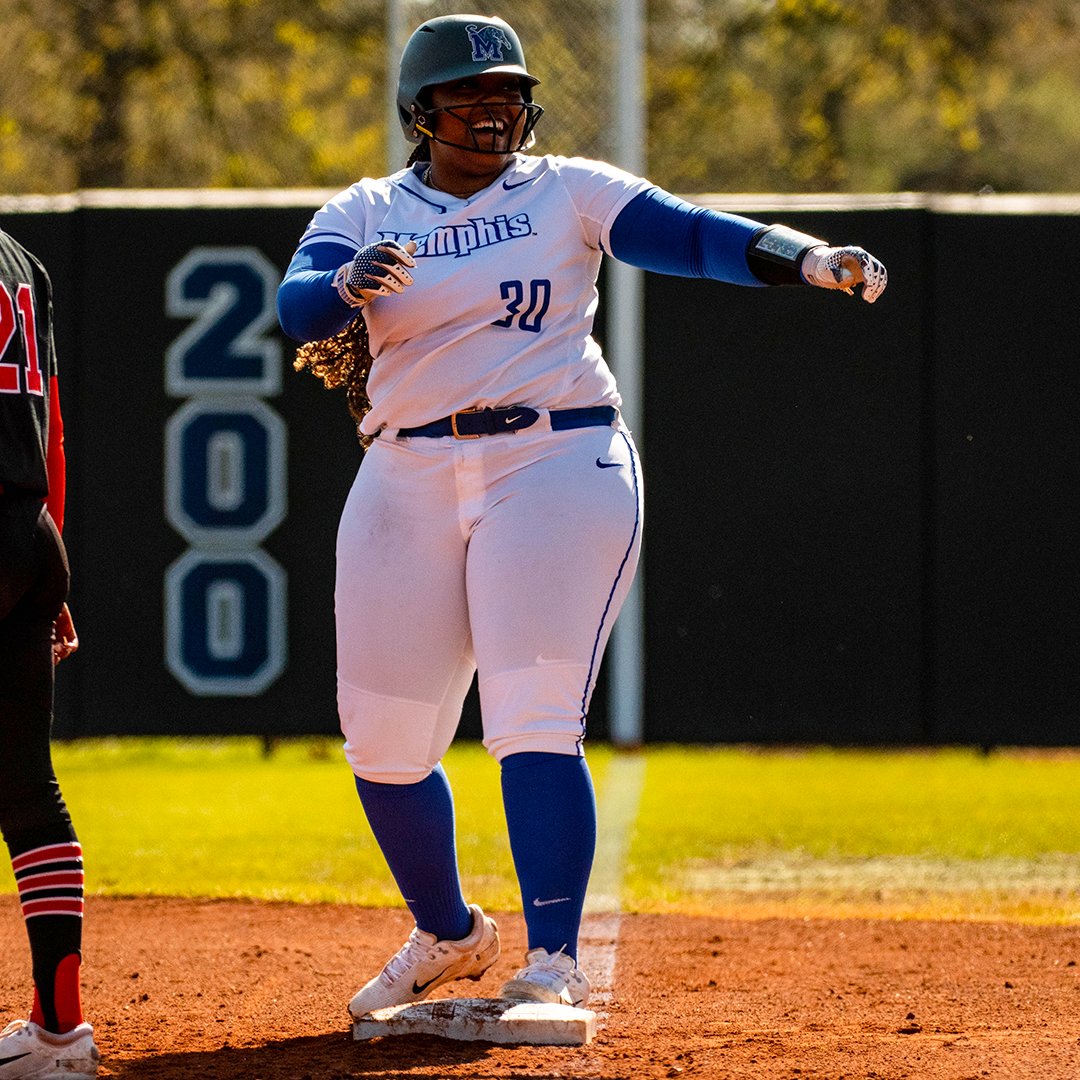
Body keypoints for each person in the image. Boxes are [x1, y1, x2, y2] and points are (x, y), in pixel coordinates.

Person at [276, 12, 887, 1018]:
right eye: (468, 97)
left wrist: (808, 257)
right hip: (407, 468)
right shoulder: (370, 206)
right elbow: (299, 307)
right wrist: (344, 282)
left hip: (552, 456)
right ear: (421, 114)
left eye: (507, 93)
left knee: (532, 721)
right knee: (382, 743)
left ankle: (553, 961)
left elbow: (684, 233)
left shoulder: (564, 188)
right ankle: (448, 931)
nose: (492, 110)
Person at [0, 228, 99, 1078]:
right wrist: (52, 567)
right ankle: (59, 1035)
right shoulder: (21, 259)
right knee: (28, 788)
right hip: (30, 533)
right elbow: (53, 428)